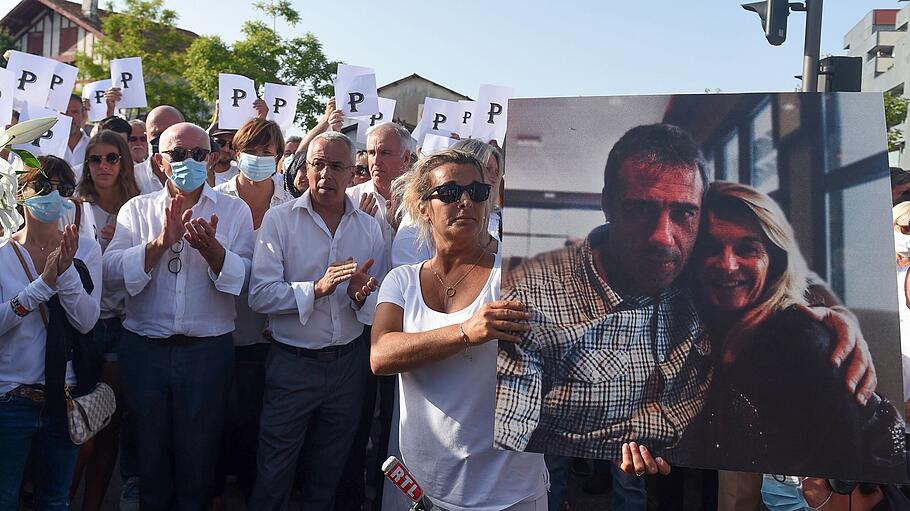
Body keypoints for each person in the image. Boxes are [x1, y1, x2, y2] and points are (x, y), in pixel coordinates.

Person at [495, 123, 877, 464]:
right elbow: (503, 432)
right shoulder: (533, 306)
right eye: (641, 209)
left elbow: (779, 265)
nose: (663, 237)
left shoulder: (712, 285)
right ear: (607, 204)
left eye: (684, 213)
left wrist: (836, 312)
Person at [371, 149, 549, 510]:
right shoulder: (402, 281)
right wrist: (465, 331)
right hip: (426, 489)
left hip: (509, 492)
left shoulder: (523, 273)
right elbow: (381, 355)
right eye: (450, 193)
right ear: (423, 207)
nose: (465, 201)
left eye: (477, 192)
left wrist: (625, 435)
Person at [102, 122, 254, 510]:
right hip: (146, 349)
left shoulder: (234, 211)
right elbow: (111, 271)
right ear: (159, 161)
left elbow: (249, 276)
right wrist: (157, 245)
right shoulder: (137, 209)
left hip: (207, 352)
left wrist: (214, 252)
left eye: (199, 155)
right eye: (179, 155)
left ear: (213, 158)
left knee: (200, 454)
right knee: (149, 453)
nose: (190, 162)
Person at [247, 131, 385, 510]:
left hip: (348, 366)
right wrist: (316, 289)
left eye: (337, 166)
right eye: (317, 164)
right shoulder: (279, 221)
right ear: (304, 170)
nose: (326, 174)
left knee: (328, 473)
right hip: (293, 364)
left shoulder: (370, 228)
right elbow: (260, 295)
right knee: (275, 469)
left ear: (353, 172)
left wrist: (360, 298)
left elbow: (379, 303)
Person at [0, 156, 102, 510]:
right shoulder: (2, 254)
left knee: (55, 498)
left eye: (64, 188)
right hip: (10, 398)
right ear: (20, 194)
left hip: (64, 397)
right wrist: (42, 285)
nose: (53, 195)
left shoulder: (86, 249)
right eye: (42, 187)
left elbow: (87, 321)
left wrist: (67, 270)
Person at [212, 118, 294, 502]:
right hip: (219, 332)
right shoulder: (215, 198)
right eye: (252, 151)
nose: (259, 158)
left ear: (278, 158)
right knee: (216, 425)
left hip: (270, 337)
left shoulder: (291, 207)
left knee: (257, 429)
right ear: (236, 152)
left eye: (267, 152)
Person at [68, 130, 140, 511]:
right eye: (95, 159)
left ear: (124, 163)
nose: (103, 166)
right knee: (79, 428)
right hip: (84, 328)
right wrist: (96, 248)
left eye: (112, 158)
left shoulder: (140, 208)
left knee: (108, 424)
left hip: (124, 325)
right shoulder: (74, 207)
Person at [392, 139, 503, 267]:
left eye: (496, 171)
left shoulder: (500, 220)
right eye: (487, 169)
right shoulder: (413, 227)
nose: (493, 178)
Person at [64, 94, 90, 182]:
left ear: (83, 114)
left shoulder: (93, 146)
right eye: (65, 112)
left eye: (74, 112)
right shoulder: (47, 148)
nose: (70, 117)